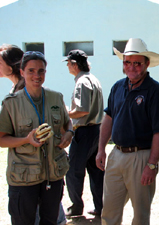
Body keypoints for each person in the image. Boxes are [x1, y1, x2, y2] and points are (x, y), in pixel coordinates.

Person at [96, 38, 159, 225]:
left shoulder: (155, 91)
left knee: (140, 214)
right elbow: (109, 118)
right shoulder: (118, 87)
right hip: (116, 155)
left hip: (141, 157)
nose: (132, 67)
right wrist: (101, 149)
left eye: (137, 63)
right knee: (109, 210)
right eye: (127, 62)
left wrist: (152, 165)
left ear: (147, 63)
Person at [0, 51, 72, 224]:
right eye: (31, 70)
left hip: (52, 176)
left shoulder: (56, 97)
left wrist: (69, 134)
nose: (36, 75)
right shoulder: (11, 103)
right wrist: (26, 140)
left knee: (50, 221)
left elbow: (67, 123)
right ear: (22, 72)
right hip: (24, 179)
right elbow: (1, 139)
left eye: (41, 71)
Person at [63, 49, 104, 217]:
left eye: (68, 63)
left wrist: (65, 112)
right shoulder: (94, 79)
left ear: (74, 64)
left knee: (73, 171)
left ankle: (76, 207)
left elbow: (81, 110)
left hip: (84, 132)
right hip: (97, 131)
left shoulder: (82, 82)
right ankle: (100, 207)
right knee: (96, 172)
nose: (67, 66)